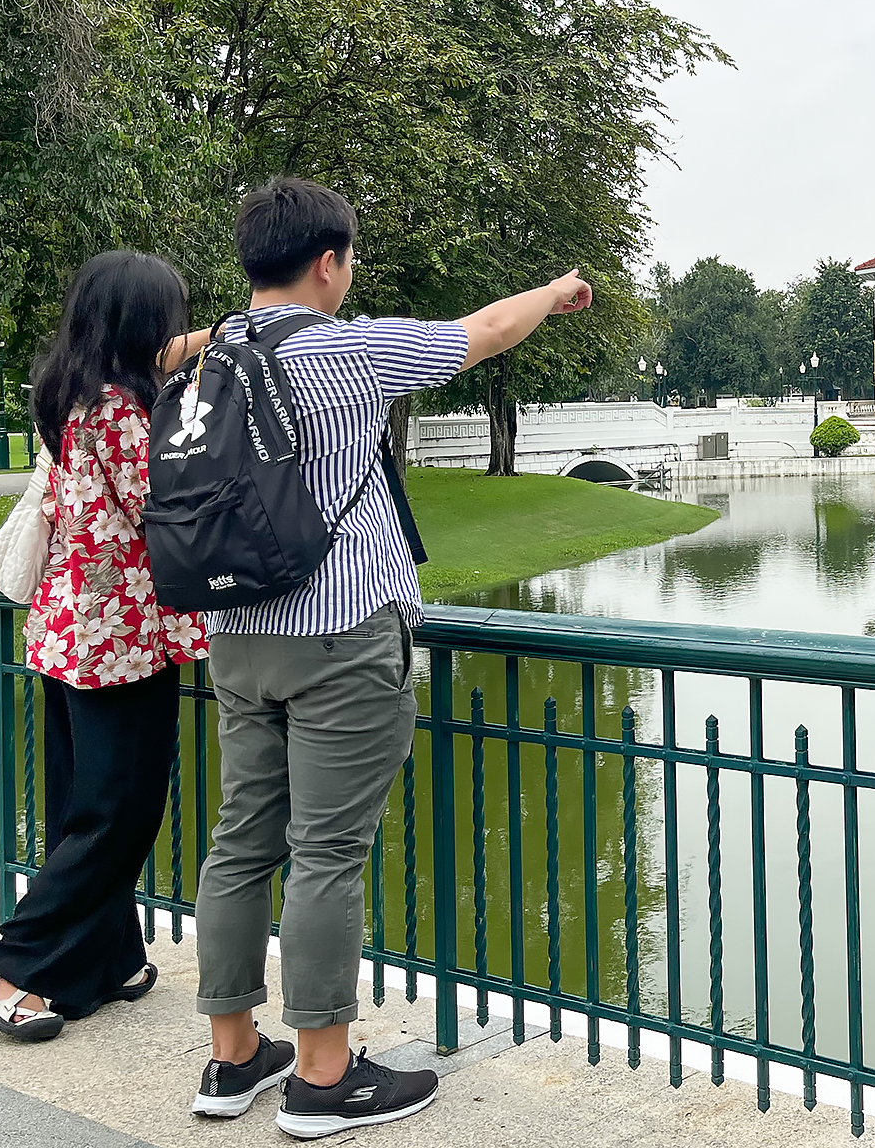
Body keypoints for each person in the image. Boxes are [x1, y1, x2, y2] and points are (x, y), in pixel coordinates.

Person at [191, 177, 590, 1139]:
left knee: (241, 842)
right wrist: (558, 289)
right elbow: (485, 329)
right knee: (326, 852)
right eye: (349, 260)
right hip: (340, 638)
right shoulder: (348, 349)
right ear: (328, 263)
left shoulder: (208, 356)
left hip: (236, 635)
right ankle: (325, 1081)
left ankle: (233, 1058)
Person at [0, 250, 209, 1041]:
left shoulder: (67, 393)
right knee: (119, 811)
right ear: (142, 322)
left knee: (85, 804)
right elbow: (166, 507)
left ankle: (111, 958)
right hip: (121, 639)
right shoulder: (122, 411)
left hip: (71, 630)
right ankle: (15, 965)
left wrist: (218, 339)